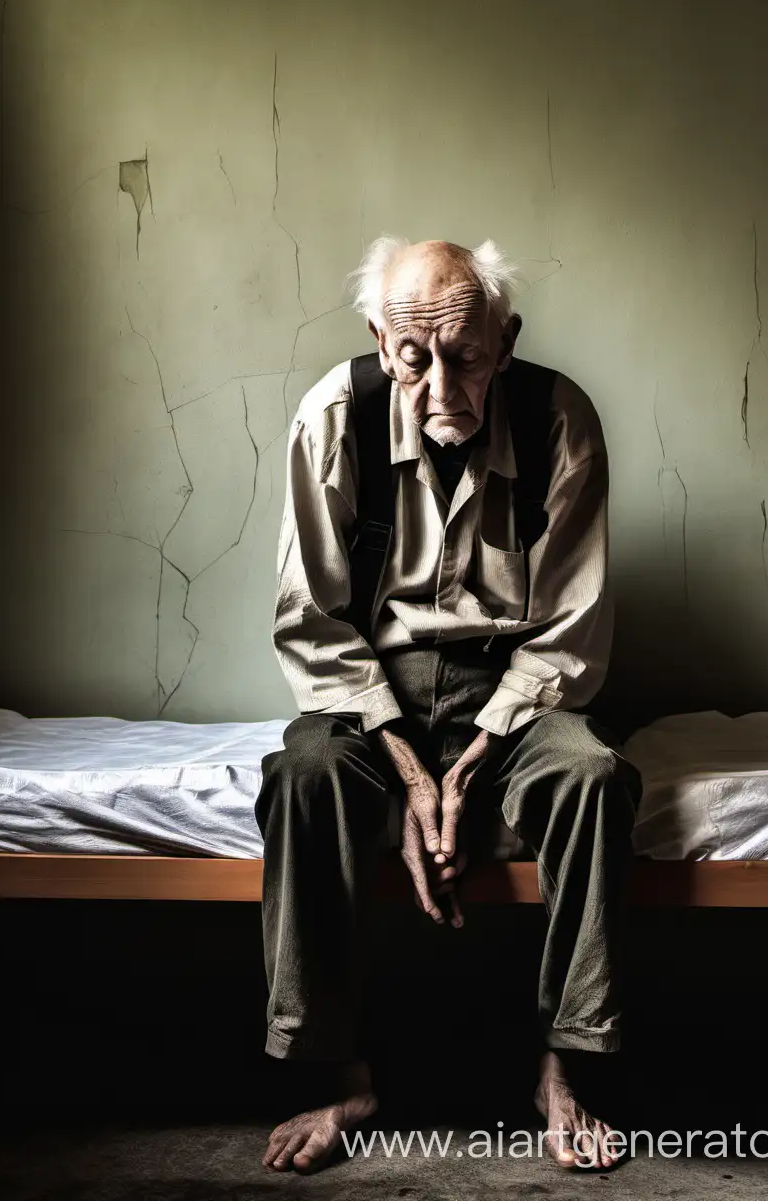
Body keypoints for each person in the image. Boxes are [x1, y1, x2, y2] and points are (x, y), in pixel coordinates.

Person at [255, 236, 641, 1172]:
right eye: (412, 356)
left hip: (514, 695)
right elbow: (311, 619)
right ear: (380, 343)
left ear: (505, 342)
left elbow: (569, 630)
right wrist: (407, 766)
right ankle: (341, 1073)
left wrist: (467, 764)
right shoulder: (334, 416)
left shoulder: (559, 421)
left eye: (464, 357)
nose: (437, 386)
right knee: (302, 777)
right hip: (369, 698)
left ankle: (563, 1068)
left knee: (594, 778)